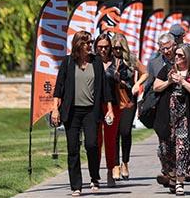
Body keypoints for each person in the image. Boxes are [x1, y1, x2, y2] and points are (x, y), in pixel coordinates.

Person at [52, 31, 115, 196]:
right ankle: (76, 186)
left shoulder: (96, 62)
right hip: (71, 112)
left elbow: (105, 89)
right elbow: (59, 87)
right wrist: (55, 109)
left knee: (92, 145)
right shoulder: (67, 62)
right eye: (87, 43)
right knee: (73, 148)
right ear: (79, 44)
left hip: (91, 111)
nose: (90, 45)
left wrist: (109, 109)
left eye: (90, 42)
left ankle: (94, 178)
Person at [153, 43, 190, 196]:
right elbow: (156, 87)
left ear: (188, 57)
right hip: (167, 118)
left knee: (182, 149)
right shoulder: (168, 70)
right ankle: (172, 176)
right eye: (176, 55)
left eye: (181, 55)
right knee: (164, 150)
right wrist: (169, 82)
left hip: (186, 118)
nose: (177, 58)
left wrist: (183, 82)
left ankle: (180, 182)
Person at [109, 32, 147, 181]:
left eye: (119, 48)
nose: (117, 51)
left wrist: (137, 84)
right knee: (114, 134)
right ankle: (116, 165)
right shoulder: (108, 60)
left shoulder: (130, 59)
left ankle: (125, 162)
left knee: (125, 132)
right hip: (112, 100)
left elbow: (145, 73)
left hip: (128, 101)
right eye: (114, 48)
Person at [93, 33, 121, 186]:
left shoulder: (116, 62)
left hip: (113, 106)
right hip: (96, 106)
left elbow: (133, 75)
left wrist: (120, 77)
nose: (103, 50)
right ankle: (95, 174)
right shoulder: (91, 61)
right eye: (100, 47)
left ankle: (110, 171)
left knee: (110, 140)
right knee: (95, 141)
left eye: (106, 47)